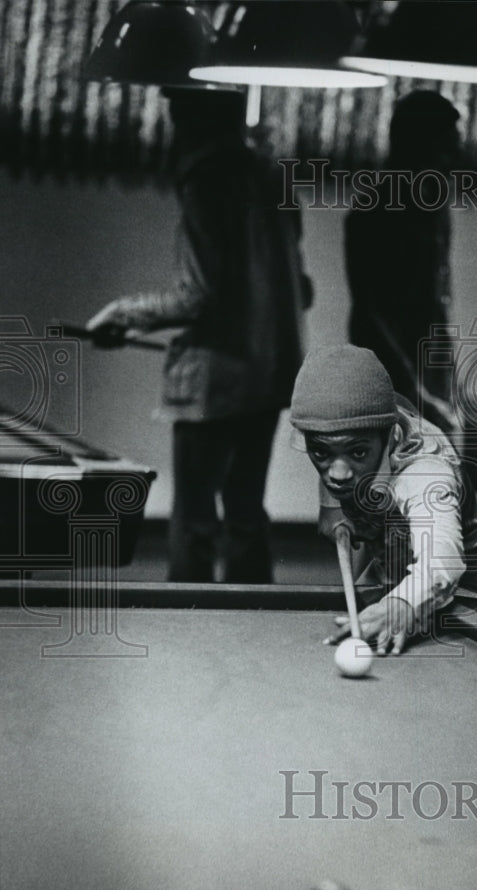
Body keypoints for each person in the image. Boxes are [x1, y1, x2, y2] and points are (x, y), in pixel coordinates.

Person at [87, 89, 312, 583]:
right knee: (246, 511)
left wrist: (122, 314)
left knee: (194, 521)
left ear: (190, 119)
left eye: (177, 114)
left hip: (215, 379)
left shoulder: (205, 180)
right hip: (271, 371)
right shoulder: (273, 173)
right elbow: (303, 285)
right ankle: (254, 631)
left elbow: (198, 297)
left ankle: (189, 635)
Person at [290, 345, 477, 654]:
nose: (337, 474)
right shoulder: (367, 422)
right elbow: (336, 447)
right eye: (321, 453)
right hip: (395, 557)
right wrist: (332, 505)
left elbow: (442, 562)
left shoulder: (426, 474)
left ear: (389, 435)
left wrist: (402, 602)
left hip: (470, 584)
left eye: (357, 452)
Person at [344, 90, 461, 433]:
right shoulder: (372, 211)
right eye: (444, 150)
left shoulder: (436, 206)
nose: (453, 160)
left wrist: (445, 382)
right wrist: (415, 392)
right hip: (386, 381)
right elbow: (370, 314)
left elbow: (436, 303)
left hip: (428, 378)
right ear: (417, 147)